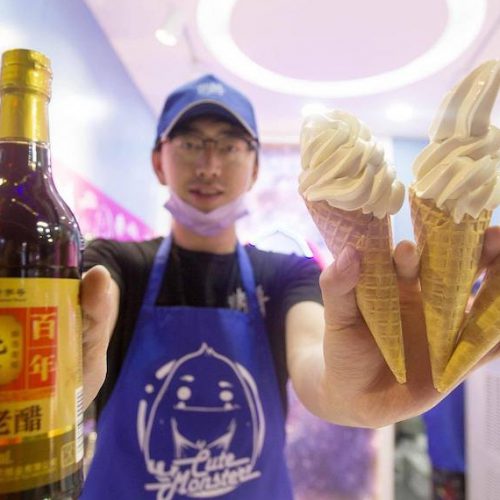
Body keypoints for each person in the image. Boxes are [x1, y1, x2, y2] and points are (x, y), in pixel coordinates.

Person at [79, 74, 500, 499]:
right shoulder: (118, 264)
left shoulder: (286, 275)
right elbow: (95, 313)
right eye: (190, 143)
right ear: (158, 161)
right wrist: (76, 374)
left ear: (255, 167)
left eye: (229, 145)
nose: (209, 164)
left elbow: (313, 365)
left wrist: (349, 393)